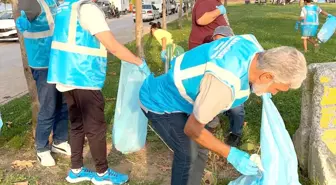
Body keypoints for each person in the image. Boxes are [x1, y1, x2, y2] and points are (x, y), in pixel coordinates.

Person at [139, 34, 307, 185]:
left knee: (201, 149)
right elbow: (192, 129)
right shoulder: (223, 86)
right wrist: (231, 154)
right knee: (188, 153)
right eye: (276, 89)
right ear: (266, 76)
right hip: (159, 103)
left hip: (180, 95)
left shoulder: (251, 44)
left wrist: (262, 89)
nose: (274, 93)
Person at [47, 0, 150, 184]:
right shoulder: (88, 10)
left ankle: (76, 170)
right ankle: (102, 173)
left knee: (77, 124)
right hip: (84, 75)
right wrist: (139, 62)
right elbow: (112, 45)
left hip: (65, 75)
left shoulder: (66, 7)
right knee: (96, 128)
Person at [16, 0, 70, 167]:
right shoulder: (30, 1)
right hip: (43, 63)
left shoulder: (52, 1)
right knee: (48, 105)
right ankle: (42, 148)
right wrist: (23, 22)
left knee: (64, 103)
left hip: (58, 60)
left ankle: (59, 141)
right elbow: (25, 20)